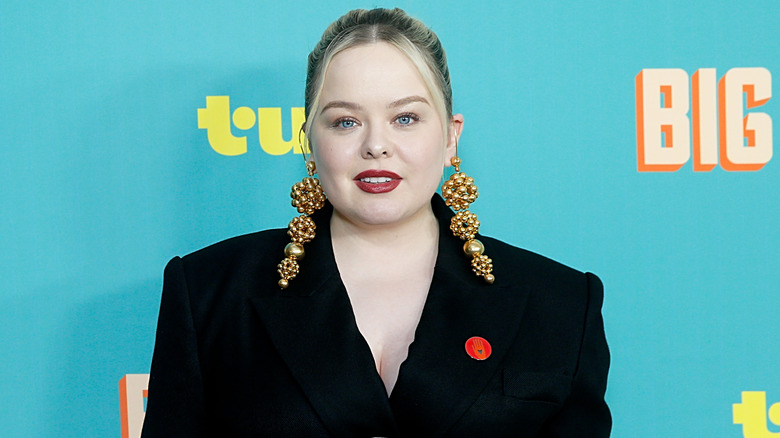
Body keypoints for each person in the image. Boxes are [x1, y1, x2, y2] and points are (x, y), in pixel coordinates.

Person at [141, 7, 611, 437]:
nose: (376, 145)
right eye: (345, 122)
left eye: (405, 118)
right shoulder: (207, 292)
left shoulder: (561, 302)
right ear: (309, 140)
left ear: (451, 136)